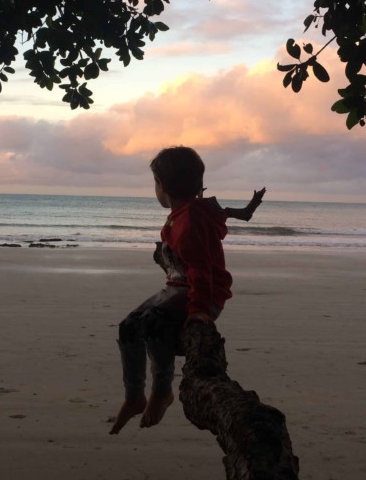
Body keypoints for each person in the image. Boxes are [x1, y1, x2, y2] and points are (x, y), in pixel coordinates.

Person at [109, 146, 265, 435]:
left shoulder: (190, 220)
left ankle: (161, 391)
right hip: (178, 287)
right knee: (128, 326)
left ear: (163, 186)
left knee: (153, 322)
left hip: (200, 293)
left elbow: (202, 270)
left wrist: (199, 311)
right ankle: (133, 396)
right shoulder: (182, 212)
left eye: (155, 182)